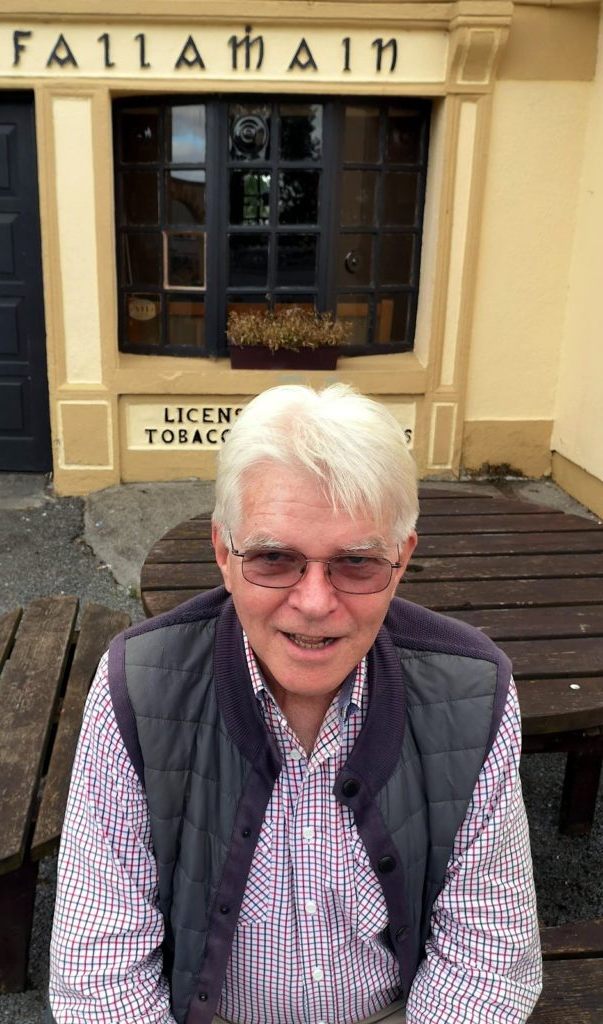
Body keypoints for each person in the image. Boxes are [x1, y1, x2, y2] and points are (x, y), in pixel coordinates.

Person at [47, 383, 542, 1024]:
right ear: (224, 554)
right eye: (273, 557)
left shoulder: (476, 695)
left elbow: (488, 961)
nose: (313, 602)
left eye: (357, 562)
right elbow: (100, 977)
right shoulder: (136, 692)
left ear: (402, 559)